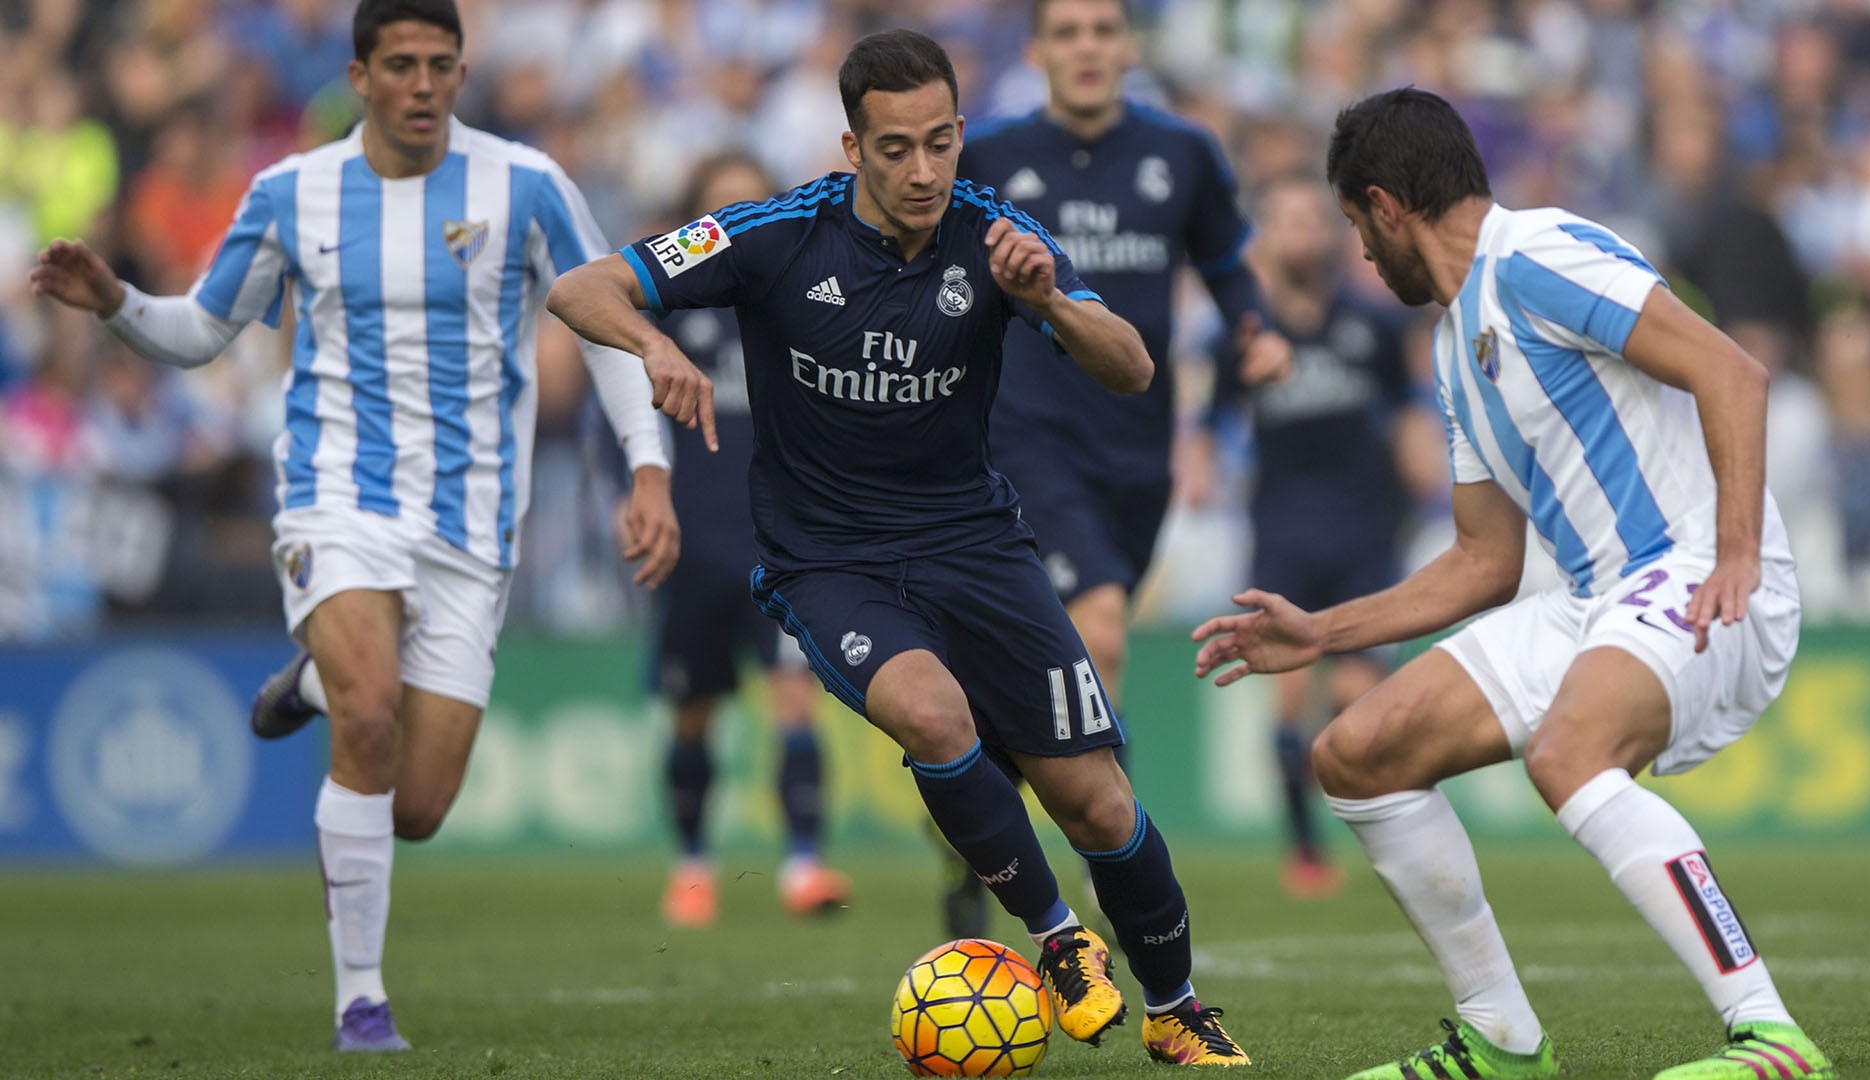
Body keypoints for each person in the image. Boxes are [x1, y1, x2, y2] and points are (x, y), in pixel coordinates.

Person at [548, 28, 1252, 1068]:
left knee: (1097, 800)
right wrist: (654, 343)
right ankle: (1060, 942)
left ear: (961, 134)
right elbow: (581, 287)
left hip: (978, 546)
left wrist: (1049, 297)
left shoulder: (1000, 233)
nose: (922, 172)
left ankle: (1176, 1009)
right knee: (933, 711)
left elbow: (1136, 366)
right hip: (829, 563)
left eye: (938, 144)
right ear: (851, 147)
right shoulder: (773, 233)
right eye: (894, 149)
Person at [29, 0, 705, 1053]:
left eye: (442, 64)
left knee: (420, 802)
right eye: (402, 65)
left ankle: (309, 683)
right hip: (335, 495)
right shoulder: (290, 193)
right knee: (372, 718)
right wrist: (117, 298)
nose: (425, 85)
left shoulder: (524, 184)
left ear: (462, 71)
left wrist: (649, 471)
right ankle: (360, 999)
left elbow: (612, 331)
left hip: (474, 525)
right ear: (360, 73)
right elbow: (203, 329)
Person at [1194, 88, 1832, 1080]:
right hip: (1595, 598)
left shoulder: (1536, 255)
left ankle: (1772, 1037)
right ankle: (1501, 1041)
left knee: (1571, 751)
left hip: (1698, 568)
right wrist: (1321, 634)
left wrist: (1739, 550)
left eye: (1360, 226)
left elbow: (1733, 371)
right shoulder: (1454, 345)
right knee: (1357, 752)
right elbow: (1483, 562)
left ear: (1385, 206)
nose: (1361, 252)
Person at [945, 0, 1291, 937]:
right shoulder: (988, 160)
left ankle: (971, 822)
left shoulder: (1183, 153)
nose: (1089, 47)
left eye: (1104, 29)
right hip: (1022, 434)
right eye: (1069, 32)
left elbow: (1227, 266)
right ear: (1038, 51)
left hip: (1138, 447)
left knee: (1027, 675)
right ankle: (1118, 860)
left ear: (1128, 46)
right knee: (1097, 635)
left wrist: (1256, 332)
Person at [1192, 172, 1435, 899]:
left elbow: (1408, 412)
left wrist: (1424, 464)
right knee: (1290, 701)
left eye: (1314, 220)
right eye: (1288, 221)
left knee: (1359, 706)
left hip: (1366, 533)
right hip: (1284, 535)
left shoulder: (1376, 327)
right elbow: (1208, 426)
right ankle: (1304, 849)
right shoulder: (1241, 337)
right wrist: (1196, 467)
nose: (1304, 234)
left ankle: (1379, 837)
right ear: (1265, 236)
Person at [644, 151, 851, 928]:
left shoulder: (796, 304)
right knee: (692, 709)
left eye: (746, 208)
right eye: (715, 212)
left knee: (795, 699)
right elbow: (625, 425)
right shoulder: (667, 318)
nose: (729, 226)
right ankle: (692, 864)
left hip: (781, 541)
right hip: (693, 544)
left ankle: (804, 863)